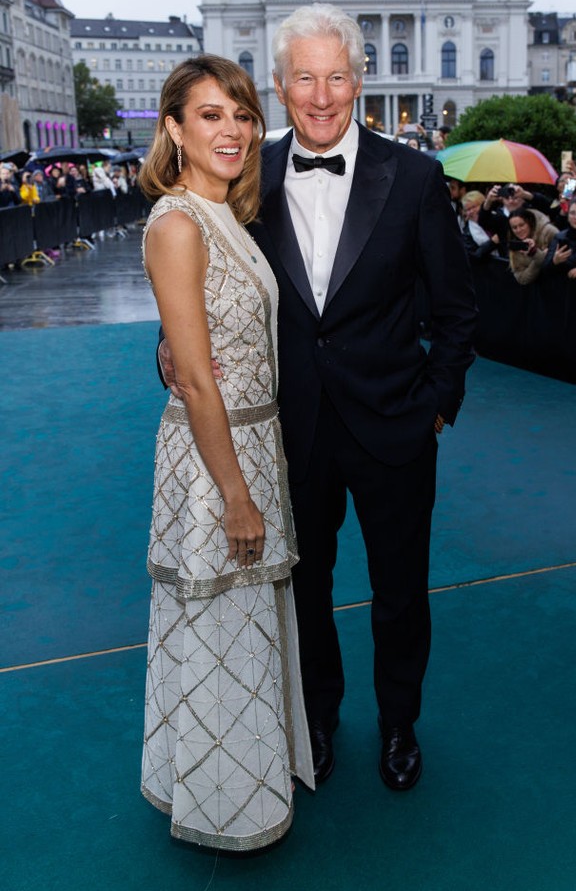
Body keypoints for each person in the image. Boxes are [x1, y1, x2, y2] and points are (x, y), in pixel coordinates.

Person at [163, 3, 477, 791]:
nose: (321, 93)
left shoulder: (414, 177)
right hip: (288, 431)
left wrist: (439, 399)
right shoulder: (246, 173)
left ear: (360, 80)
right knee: (304, 587)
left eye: (337, 75)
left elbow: (458, 309)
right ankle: (318, 719)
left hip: (396, 424)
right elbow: (204, 287)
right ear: (278, 82)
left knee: (401, 589)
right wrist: (168, 349)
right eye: (304, 75)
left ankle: (400, 720)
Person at [138, 54, 314, 851]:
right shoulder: (176, 222)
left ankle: (243, 777)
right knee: (216, 617)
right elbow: (201, 383)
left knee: (244, 619)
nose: (233, 129)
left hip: (251, 439)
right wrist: (237, 494)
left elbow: (203, 344)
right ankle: (219, 804)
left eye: (241, 114)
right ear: (173, 128)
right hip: (218, 460)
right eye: (210, 115)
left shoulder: (225, 219)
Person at [506, 207, 558, 285]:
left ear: (529, 222)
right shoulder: (515, 243)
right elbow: (521, 278)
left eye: (522, 225)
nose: (519, 230)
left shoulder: (548, 232)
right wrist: (536, 256)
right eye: (514, 228)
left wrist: (536, 254)